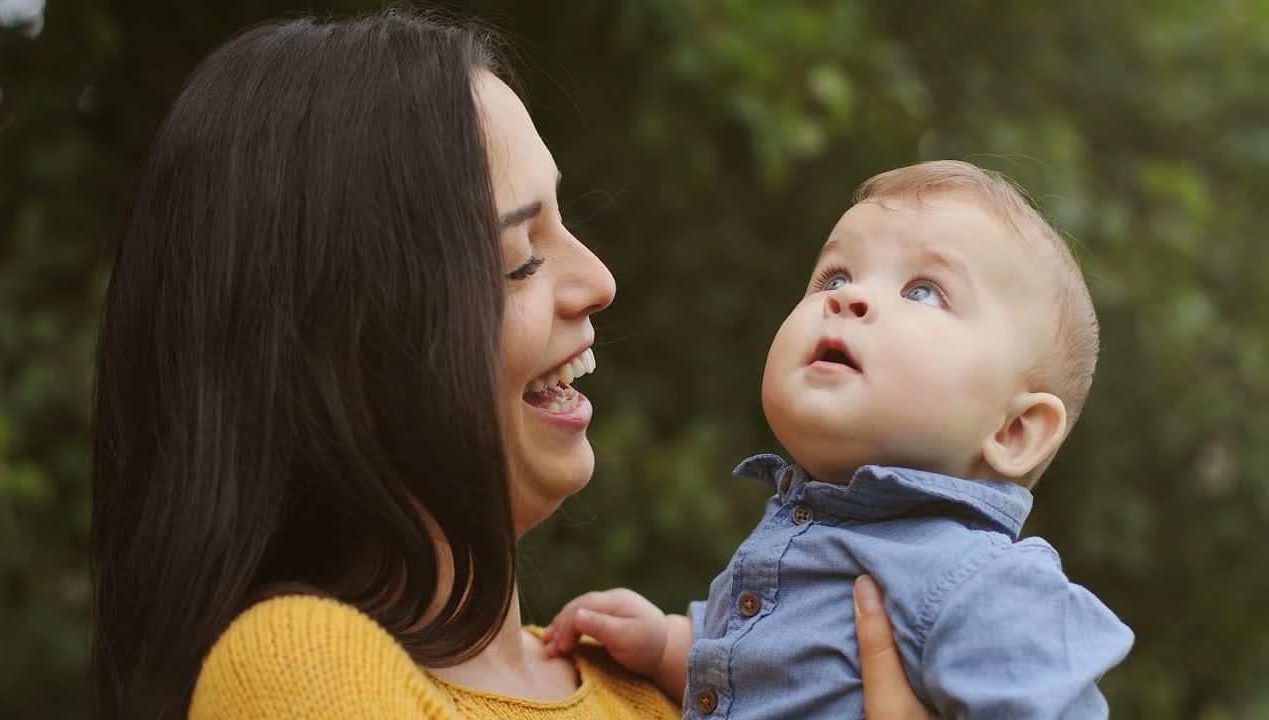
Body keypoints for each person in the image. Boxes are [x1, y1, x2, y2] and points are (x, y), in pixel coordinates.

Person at [90, 10, 926, 720]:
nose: (598, 280)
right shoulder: (300, 668)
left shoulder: (656, 682)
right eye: (522, 257)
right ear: (347, 350)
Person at [545, 161, 1134, 718]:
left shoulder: (985, 585)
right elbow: (759, 673)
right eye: (836, 275)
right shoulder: (808, 537)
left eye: (923, 290)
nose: (846, 298)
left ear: (1013, 430)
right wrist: (667, 645)